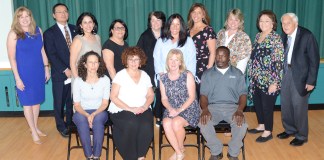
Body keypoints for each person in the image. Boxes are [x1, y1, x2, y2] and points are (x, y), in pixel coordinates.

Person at [7, 6, 50, 144]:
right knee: (27, 103)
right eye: (21, 16)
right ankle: (32, 131)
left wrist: (46, 68)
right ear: (17, 19)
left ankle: (35, 127)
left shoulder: (38, 31)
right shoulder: (14, 34)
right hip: (23, 74)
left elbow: (42, 50)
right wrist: (17, 78)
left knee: (36, 102)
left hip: (38, 71)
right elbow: (12, 58)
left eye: (27, 16)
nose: (25, 19)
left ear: (30, 17)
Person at [277, 13, 320, 146]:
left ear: (295, 23)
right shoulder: (284, 35)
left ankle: (301, 135)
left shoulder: (307, 36)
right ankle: (289, 129)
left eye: (288, 23)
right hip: (285, 73)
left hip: (301, 76)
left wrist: (311, 81)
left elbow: (314, 60)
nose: (285, 26)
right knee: (286, 104)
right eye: (283, 23)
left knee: (299, 106)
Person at [199, 46, 248, 160]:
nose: (219, 58)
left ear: (229, 58)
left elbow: (243, 95)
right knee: (203, 122)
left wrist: (240, 110)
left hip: (233, 107)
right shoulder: (207, 74)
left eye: (223, 56)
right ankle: (216, 150)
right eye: (217, 55)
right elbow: (203, 96)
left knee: (241, 125)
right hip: (212, 107)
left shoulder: (237, 73)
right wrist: (205, 110)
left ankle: (233, 152)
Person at [109, 47, 154, 160]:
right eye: (130, 59)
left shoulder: (145, 75)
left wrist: (144, 106)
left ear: (140, 61)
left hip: (142, 108)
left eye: (136, 59)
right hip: (121, 108)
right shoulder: (120, 75)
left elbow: (151, 95)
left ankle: (140, 156)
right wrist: (130, 109)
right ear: (126, 61)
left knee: (146, 126)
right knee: (131, 123)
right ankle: (130, 157)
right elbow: (113, 97)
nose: (133, 62)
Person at [247, 10, 284, 142]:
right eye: (261, 21)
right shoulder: (258, 36)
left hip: (269, 80)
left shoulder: (275, 38)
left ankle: (268, 131)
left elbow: (279, 62)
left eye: (267, 21)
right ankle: (261, 125)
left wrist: (275, 82)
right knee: (258, 104)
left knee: (267, 107)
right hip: (256, 79)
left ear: (273, 23)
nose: (263, 23)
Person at [153, 13, 196, 126]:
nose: (175, 27)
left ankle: (182, 118)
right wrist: (162, 76)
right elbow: (156, 59)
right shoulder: (161, 41)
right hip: (165, 78)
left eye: (178, 24)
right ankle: (163, 119)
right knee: (164, 99)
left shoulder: (188, 41)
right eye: (172, 24)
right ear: (168, 26)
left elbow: (191, 61)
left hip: (183, 79)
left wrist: (187, 77)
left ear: (181, 26)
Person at [160, 49, 200, 160]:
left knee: (176, 123)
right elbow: (164, 99)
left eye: (176, 60)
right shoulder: (163, 78)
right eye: (170, 59)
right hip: (171, 107)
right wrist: (171, 109)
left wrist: (179, 110)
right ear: (167, 61)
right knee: (166, 123)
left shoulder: (187, 75)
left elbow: (192, 97)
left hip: (188, 107)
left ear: (180, 62)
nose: (173, 62)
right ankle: (179, 152)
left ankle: (180, 148)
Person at [43, 3, 76, 137]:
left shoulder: (75, 29)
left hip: (76, 73)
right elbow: (51, 54)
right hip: (60, 74)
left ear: (68, 13)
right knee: (59, 101)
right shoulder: (49, 33)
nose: (63, 14)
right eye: (59, 12)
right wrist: (65, 69)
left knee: (71, 100)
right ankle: (61, 126)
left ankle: (70, 124)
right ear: (54, 15)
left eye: (65, 11)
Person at [72, 51, 110, 160]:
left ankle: (97, 155)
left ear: (99, 64)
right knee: (82, 122)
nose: (93, 65)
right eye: (90, 62)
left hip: (99, 111)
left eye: (96, 62)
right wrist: (87, 115)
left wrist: (93, 114)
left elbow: (104, 103)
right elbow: (77, 105)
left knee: (98, 122)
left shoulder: (105, 80)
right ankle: (89, 155)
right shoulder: (78, 81)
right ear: (85, 64)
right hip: (81, 111)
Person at [137, 11, 166, 127]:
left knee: (162, 93)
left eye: (158, 20)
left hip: (165, 70)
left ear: (163, 22)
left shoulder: (167, 35)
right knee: (147, 94)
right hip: (148, 70)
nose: (155, 23)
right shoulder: (144, 36)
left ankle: (161, 116)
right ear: (149, 22)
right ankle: (145, 117)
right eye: (152, 20)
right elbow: (138, 54)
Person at [215, 8, 252, 74]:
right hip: (218, 72)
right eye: (231, 19)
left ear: (240, 22)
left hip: (233, 74)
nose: (233, 22)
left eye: (236, 20)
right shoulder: (220, 33)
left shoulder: (244, 38)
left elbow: (244, 60)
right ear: (227, 20)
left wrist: (237, 76)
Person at [187, 3, 216, 80]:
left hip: (204, 68)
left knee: (203, 91)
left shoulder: (208, 30)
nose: (196, 14)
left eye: (199, 12)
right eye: (194, 12)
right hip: (189, 67)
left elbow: (213, 53)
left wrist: (209, 71)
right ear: (190, 14)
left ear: (203, 15)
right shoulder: (187, 31)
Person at [70, 12, 101, 78]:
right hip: (81, 77)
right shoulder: (77, 40)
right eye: (85, 22)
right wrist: (77, 81)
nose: (88, 25)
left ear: (93, 24)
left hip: (95, 76)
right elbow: (72, 63)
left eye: (90, 22)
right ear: (81, 25)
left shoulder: (97, 37)